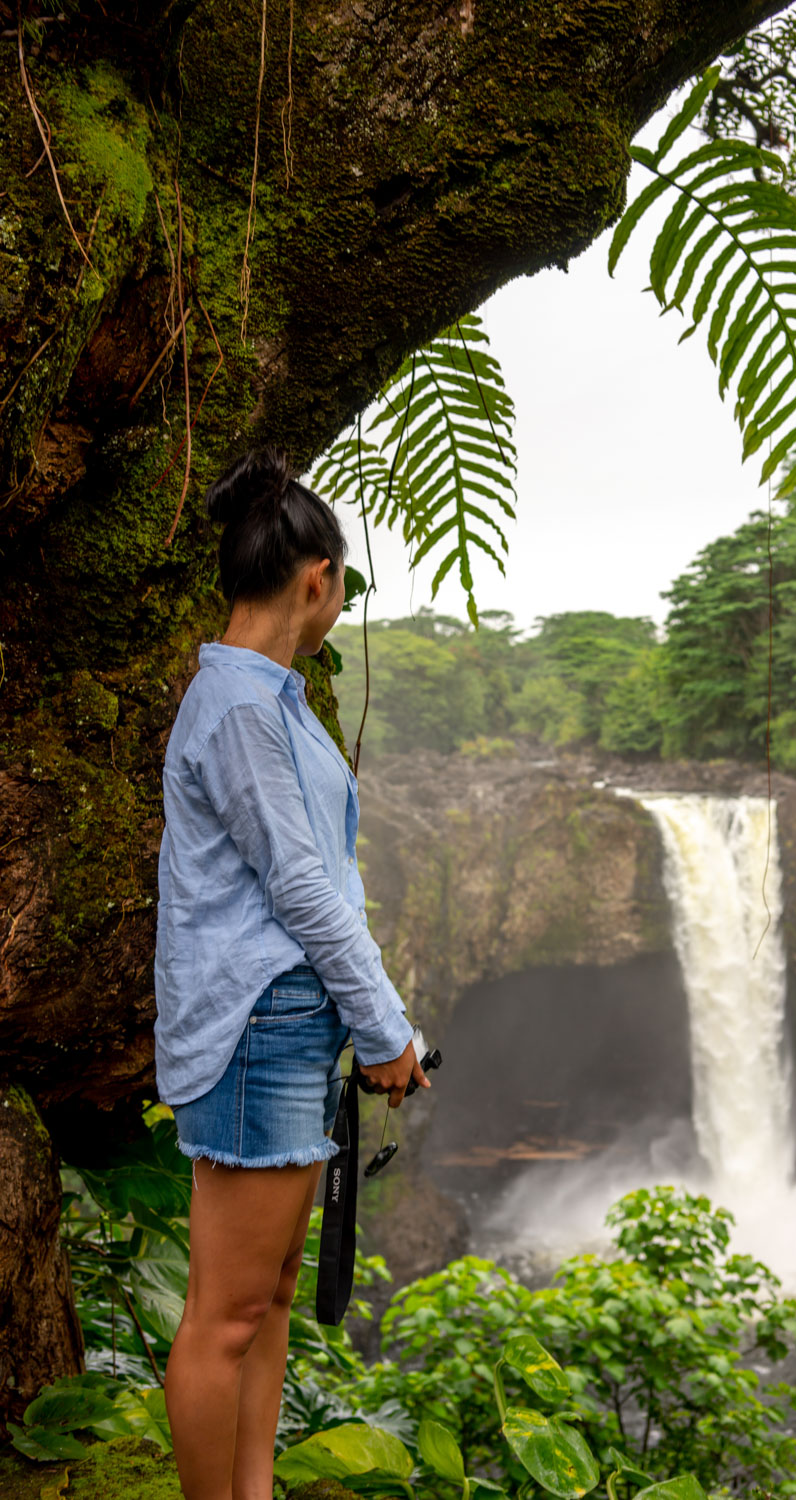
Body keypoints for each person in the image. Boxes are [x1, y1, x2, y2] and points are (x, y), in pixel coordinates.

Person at [153, 447, 429, 1500]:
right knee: (224, 1312)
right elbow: (308, 893)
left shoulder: (273, 701)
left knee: (267, 1293)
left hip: (290, 1027)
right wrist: (386, 1028)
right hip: (258, 1030)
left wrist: (360, 1023)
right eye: (342, 585)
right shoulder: (237, 709)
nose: (339, 601)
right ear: (316, 579)